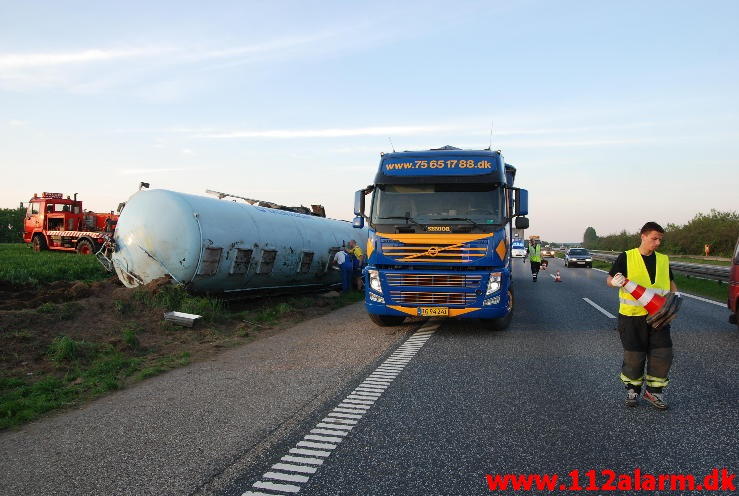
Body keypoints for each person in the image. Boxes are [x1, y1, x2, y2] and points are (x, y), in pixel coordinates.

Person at [606, 222, 677, 410]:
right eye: (654, 238)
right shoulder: (627, 257)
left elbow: (670, 284)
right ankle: (633, 390)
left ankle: (654, 393)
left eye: (660, 239)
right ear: (643, 236)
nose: (658, 242)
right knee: (634, 355)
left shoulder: (663, 259)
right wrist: (615, 281)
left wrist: (675, 301)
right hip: (632, 317)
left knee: (662, 353)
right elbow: (609, 279)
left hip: (659, 316)